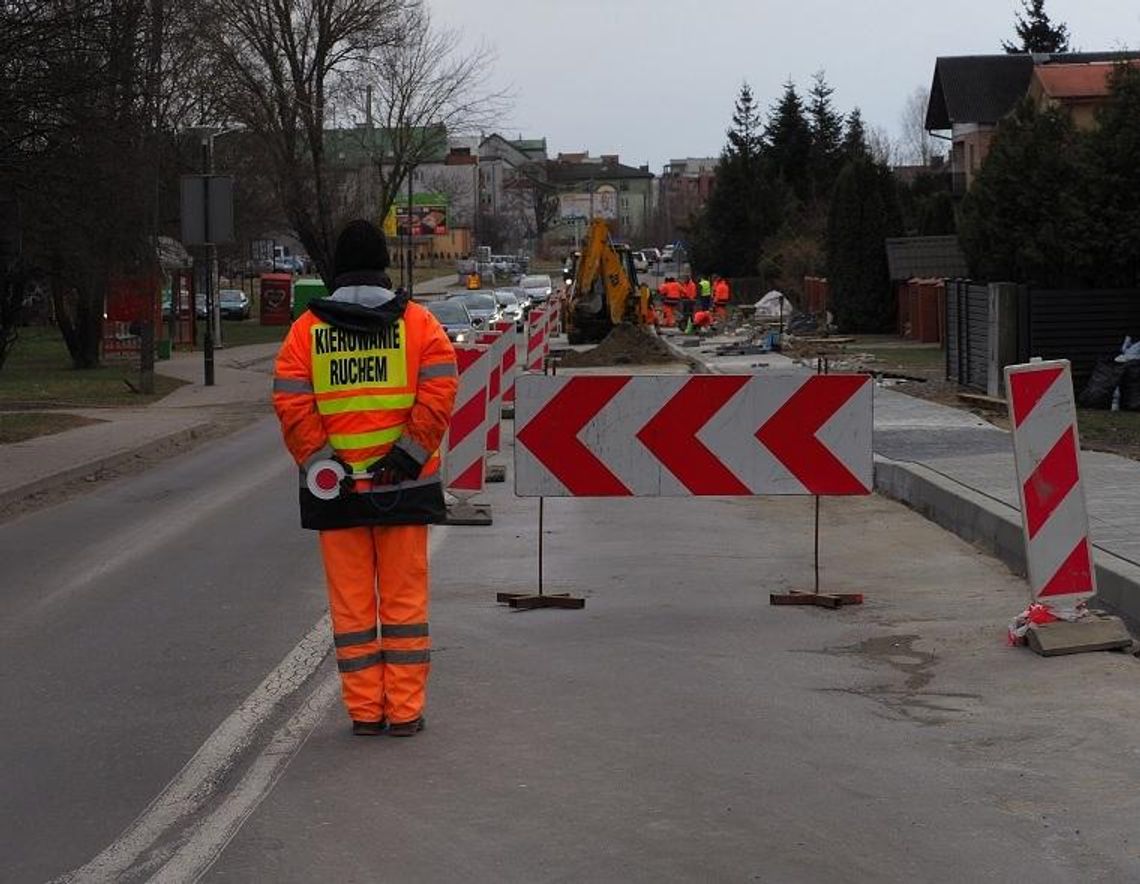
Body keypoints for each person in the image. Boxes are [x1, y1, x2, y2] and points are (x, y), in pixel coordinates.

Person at [272, 219, 458, 738]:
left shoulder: (305, 332)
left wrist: (324, 463)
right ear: (384, 264)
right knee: (404, 604)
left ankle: (363, 713)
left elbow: (291, 405)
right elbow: (439, 393)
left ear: (337, 268)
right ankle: (404, 712)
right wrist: (407, 454)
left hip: (338, 494)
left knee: (352, 607)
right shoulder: (420, 325)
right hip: (405, 487)